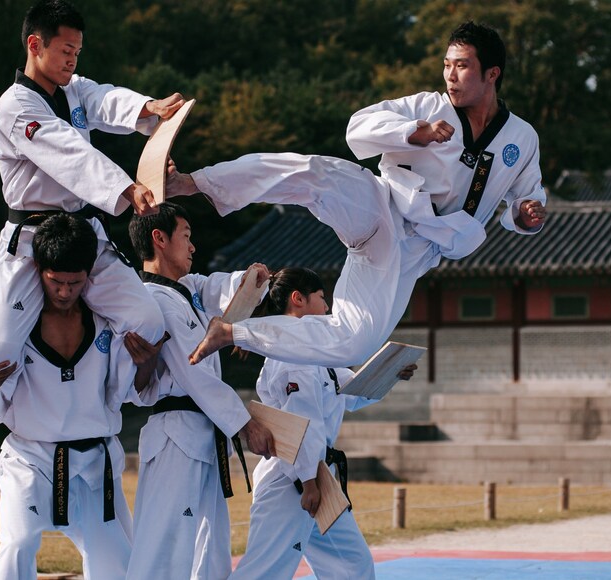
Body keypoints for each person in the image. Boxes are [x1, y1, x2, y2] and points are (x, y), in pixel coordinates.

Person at [170, 21, 547, 369]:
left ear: (492, 73)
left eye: (462, 66)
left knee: (355, 343)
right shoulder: (428, 106)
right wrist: (414, 132)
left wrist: (527, 213)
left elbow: (523, 200)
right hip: (382, 205)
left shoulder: (522, 138)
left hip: (411, 254)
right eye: (447, 64)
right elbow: (357, 128)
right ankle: (193, 182)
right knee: (315, 175)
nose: (450, 75)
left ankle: (232, 333)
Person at [0, 0, 183, 397]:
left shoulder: (74, 90)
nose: (72, 62)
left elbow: (107, 100)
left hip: (83, 232)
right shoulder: (15, 105)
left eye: (77, 53)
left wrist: (148, 107)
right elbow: (68, 153)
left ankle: (103, 394)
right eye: (65, 52)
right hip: (31, 237)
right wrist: (126, 188)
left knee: (146, 321)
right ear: (35, 45)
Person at [0, 215, 158, 580]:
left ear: (88, 277)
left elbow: (126, 392)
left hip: (95, 461)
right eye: (55, 281)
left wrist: (145, 365)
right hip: (31, 458)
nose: (65, 292)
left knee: (118, 565)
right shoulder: (9, 328)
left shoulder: (105, 322)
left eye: (75, 283)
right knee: (17, 545)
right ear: (39, 270)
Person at [230, 267, 417, 580]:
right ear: (298, 300)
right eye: (321, 298)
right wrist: (308, 481)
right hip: (292, 479)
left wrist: (391, 373)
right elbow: (303, 419)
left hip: (319, 477)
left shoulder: (317, 355)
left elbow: (353, 391)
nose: (328, 307)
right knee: (266, 571)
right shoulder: (289, 355)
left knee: (353, 565)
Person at [124, 202, 276, 580]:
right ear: (159, 239)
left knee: (210, 547)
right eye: (186, 237)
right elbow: (195, 374)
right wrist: (244, 424)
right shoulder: (154, 301)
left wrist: (251, 279)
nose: (193, 247)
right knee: (166, 547)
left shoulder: (185, 291)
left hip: (202, 433)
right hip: (177, 434)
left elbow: (218, 287)